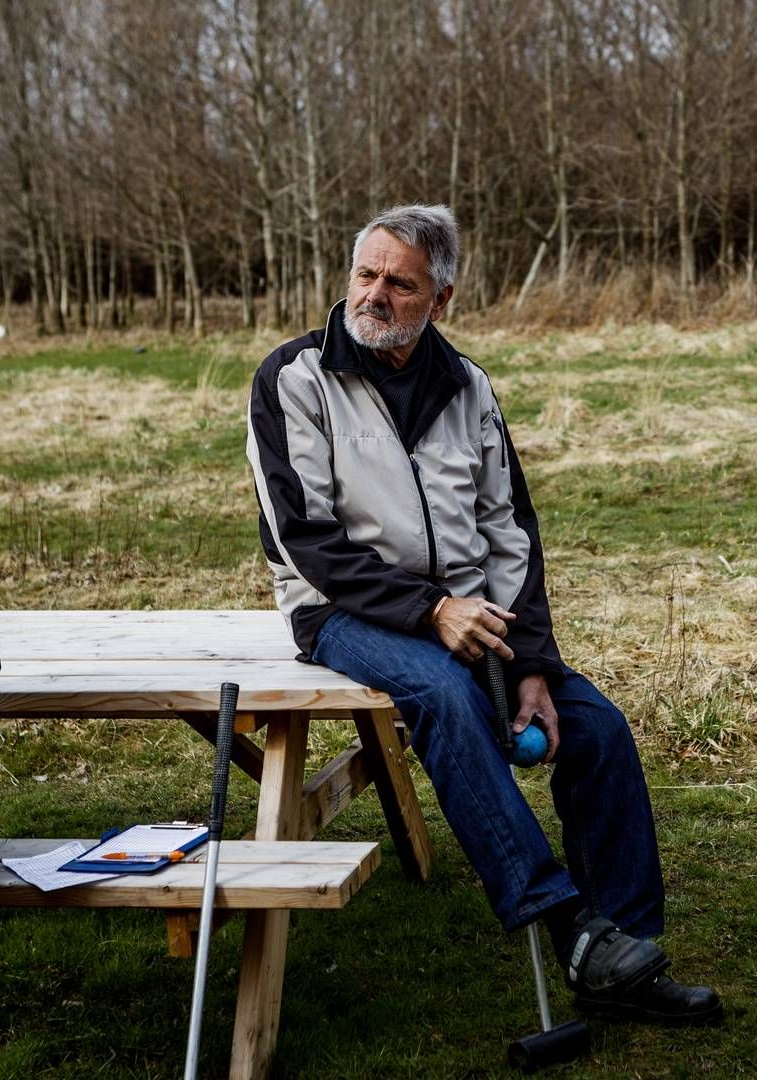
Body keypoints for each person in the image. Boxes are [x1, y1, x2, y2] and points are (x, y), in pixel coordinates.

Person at [246, 204, 720, 1025]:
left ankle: (627, 958)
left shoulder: (468, 388)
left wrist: (532, 662)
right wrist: (431, 610)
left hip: (473, 611)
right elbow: (306, 539)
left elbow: (510, 532)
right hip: (344, 610)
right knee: (445, 695)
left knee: (597, 729)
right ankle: (570, 925)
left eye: (401, 283)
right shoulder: (294, 380)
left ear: (443, 298)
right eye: (367, 275)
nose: (376, 296)